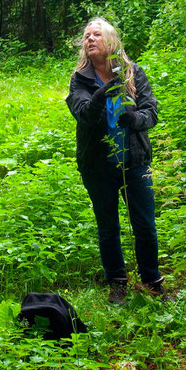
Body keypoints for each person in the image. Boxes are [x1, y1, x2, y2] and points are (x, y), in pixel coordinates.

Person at [66, 17, 170, 304]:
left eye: (96, 35)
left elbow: (151, 111)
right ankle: (118, 283)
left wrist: (134, 118)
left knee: (145, 224)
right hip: (98, 166)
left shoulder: (133, 72)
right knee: (108, 226)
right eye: (86, 36)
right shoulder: (81, 79)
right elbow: (84, 114)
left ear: (110, 40)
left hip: (134, 161)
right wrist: (103, 93)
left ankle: (152, 281)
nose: (89, 39)